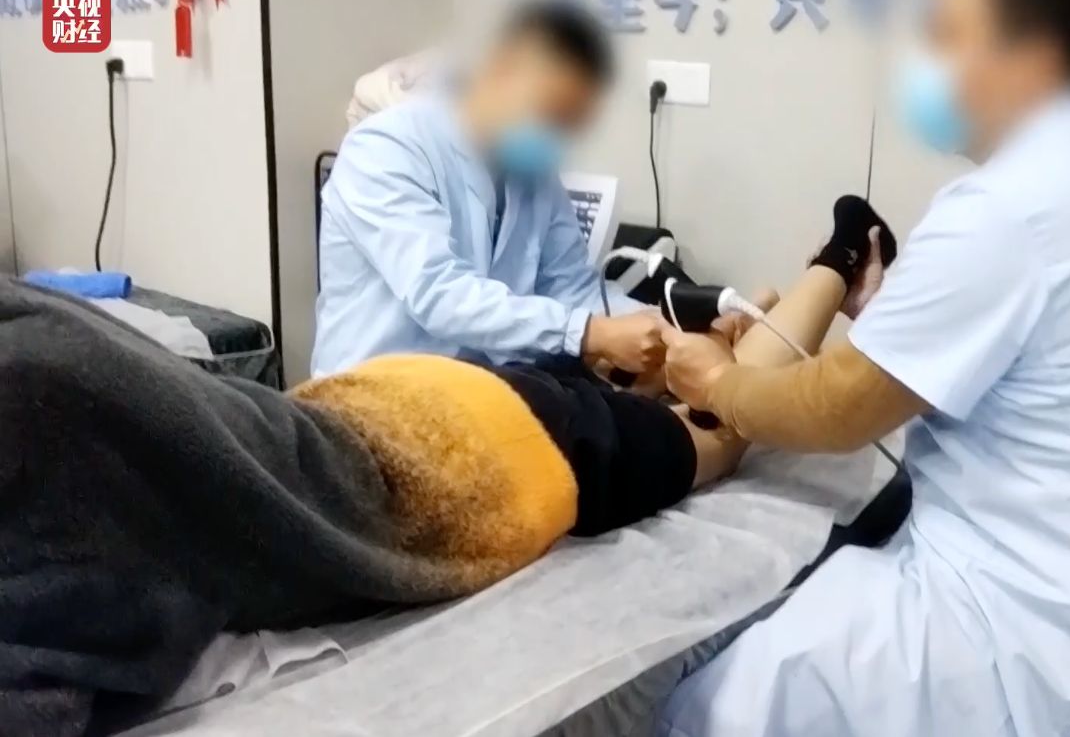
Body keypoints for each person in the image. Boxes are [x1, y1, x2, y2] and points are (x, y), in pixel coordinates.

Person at [0, 199, 892, 735]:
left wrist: (716, 380)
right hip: (390, 395)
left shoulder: (43, 508)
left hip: (481, 457)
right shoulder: (27, 329)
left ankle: (844, 248)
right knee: (675, 391)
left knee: (717, 430)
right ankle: (741, 322)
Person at [658, 0, 1070, 734]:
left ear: (1032, 51)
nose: (923, 63)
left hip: (1035, 646)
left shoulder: (1012, 203)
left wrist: (719, 384)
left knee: (731, 702)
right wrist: (887, 315)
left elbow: (837, 407)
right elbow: (1044, 366)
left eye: (943, 36)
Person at [312, 0, 662, 378]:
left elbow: (572, 288)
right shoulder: (386, 148)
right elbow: (440, 294)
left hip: (480, 390)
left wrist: (666, 328)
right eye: (549, 110)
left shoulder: (533, 173)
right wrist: (590, 333)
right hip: (371, 394)